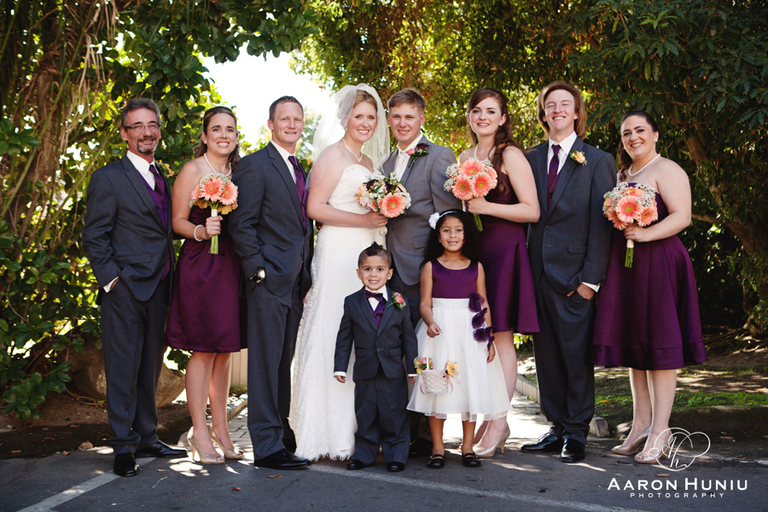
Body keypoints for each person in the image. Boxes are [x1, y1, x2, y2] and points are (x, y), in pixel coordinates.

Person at [592, 110, 707, 463]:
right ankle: (640, 424)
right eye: (626, 132)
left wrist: (646, 234)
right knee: (635, 343)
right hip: (627, 266)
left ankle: (661, 429)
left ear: (655, 134)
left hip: (659, 262)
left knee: (659, 343)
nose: (633, 137)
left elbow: (682, 216)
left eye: (640, 130)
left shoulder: (667, 169)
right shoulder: (621, 175)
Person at [82, 98, 186, 477]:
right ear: (125, 134)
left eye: (152, 124)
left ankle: (146, 437)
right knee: (123, 371)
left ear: (159, 130)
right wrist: (113, 280)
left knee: (149, 370)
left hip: (159, 288)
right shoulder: (109, 177)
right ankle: (123, 447)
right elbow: (94, 235)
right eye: (137, 126)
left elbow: (162, 231)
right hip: (124, 290)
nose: (146, 132)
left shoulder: (162, 177)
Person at [289, 84, 390, 461]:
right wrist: (363, 219)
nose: (365, 123)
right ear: (344, 118)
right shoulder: (333, 155)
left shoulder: (368, 161)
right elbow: (315, 208)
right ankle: (320, 434)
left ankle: (355, 432)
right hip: (337, 252)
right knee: (333, 331)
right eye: (358, 116)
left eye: (371, 117)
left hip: (365, 250)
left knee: (361, 338)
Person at [523, 81, 615, 463]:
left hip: (576, 278)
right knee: (545, 359)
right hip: (536, 276)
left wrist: (589, 282)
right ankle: (557, 428)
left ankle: (577, 433)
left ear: (577, 112)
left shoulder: (598, 160)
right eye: (550, 104)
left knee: (576, 359)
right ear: (543, 113)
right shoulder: (528, 158)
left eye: (565, 104)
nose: (557, 109)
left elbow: (602, 226)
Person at [229, 96, 313, 470]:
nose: (291, 125)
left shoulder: (298, 167)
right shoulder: (254, 165)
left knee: (281, 364)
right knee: (264, 366)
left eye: (297, 119)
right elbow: (241, 223)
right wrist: (257, 270)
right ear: (271, 124)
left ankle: (281, 434)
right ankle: (265, 447)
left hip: (294, 281)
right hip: (268, 281)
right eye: (284, 119)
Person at [379, 88, 460, 456]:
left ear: (421, 119)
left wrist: (437, 269)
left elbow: (448, 218)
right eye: (396, 116)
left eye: (409, 116)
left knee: (427, 352)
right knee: (399, 352)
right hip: (390, 270)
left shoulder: (438, 155)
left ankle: (428, 437)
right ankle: (402, 431)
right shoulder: (384, 164)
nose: (402, 123)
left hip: (422, 270)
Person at [460, 88, 540, 457]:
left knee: (502, 334)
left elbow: (531, 211)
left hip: (506, 249)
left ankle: (498, 421)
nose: (483, 117)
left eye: (491, 111)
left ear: (503, 118)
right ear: (469, 116)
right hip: (475, 251)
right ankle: (490, 416)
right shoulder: (465, 157)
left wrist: (487, 207)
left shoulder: (510, 155)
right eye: (477, 110)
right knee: (481, 335)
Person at [164, 106, 246, 464]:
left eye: (230, 129)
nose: (224, 135)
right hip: (201, 265)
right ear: (205, 136)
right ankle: (199, 431)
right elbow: (177, 221)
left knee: (225, 350)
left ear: (236, 136)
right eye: (217, 129)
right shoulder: (193, 170)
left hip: (232, 265)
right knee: (203, 348)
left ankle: (222, 430)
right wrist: (201, 230)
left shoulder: (240, 173)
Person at [407, 210, 509, 469]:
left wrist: (489, 338)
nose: (452, 235)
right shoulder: (431, 267)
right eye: (446, 230)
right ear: (438, 236)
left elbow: (483, 303)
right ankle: (437, 448)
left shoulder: (476, 267)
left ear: (467, 235)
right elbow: (425, 303)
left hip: (469, 332)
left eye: (458, 230)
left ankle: (467, 447)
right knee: (436, 388)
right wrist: (430, 321)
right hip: (440, 332)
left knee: (469, 387)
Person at [333, 243, 419, 473]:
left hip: (393, 370)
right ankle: (364, 454)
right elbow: (344, 336)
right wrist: (340, 367)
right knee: (366, 414)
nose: (373, 274)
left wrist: (412, 367)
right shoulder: (352, 302)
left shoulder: (400, 301)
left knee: (394, 414)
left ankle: (396, 455)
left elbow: (409, 338)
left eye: (380, 269)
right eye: (367, 269)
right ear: (359, 273)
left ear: (389, 274)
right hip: (365, 369)